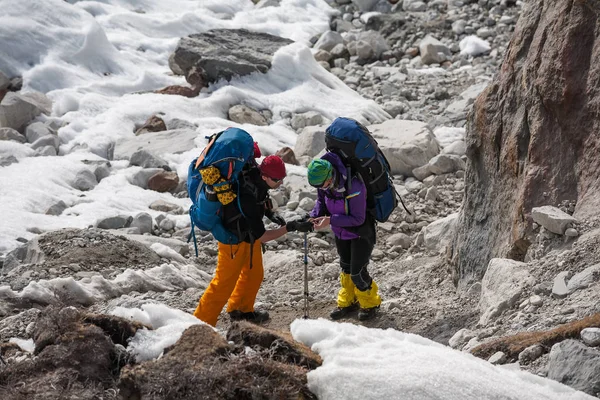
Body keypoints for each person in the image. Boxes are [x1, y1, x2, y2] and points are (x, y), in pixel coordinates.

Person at [193, 154, 313, 326]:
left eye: (282, 178)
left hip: (247, 236)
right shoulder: (248, 195)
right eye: (277, 179)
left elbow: (261, 200)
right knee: (223, 284)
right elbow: (263, 236)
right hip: (232, 240)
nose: (280, 183)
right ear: (264, 176)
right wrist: (290, 227)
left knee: (254, 275)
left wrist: (269, 213)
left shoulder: (257, 178)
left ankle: (241, 310)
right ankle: (199, 323)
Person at [307, 153, 382, 321]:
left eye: (322, 184)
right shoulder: (325, 184)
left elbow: (358, 218)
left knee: (357, 272)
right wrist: (313, 216)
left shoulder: (354, 186)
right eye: (317, 186)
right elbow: (321, 202)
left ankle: (370, 304)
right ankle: (348, 302)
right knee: (346, 268)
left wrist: (330, 220)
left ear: (330, 175)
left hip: (361, 233)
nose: (322, 188)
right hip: (341, 232)